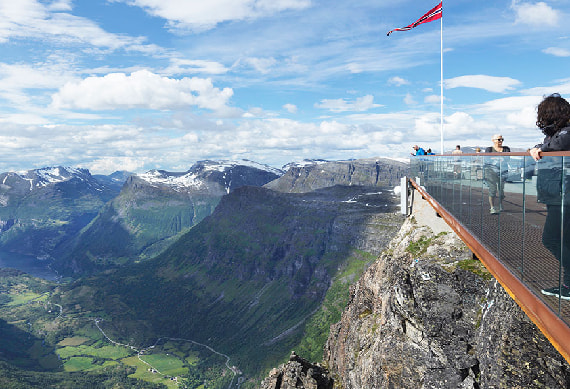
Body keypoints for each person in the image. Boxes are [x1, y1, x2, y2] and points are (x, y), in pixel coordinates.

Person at [529, 93, 570, 300]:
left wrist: (539, 149)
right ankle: (568, 285)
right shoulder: (557, 132)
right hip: (559, 192)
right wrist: (539, 146)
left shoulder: (565, 133)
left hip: (563, 194)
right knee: (564, 239)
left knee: (551, 239)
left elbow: (558, 146)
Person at [484, 134, 510, 214]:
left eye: (502, 139)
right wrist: (499, 158)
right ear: (493, 140)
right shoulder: (489, 149)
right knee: (492, 189)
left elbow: (507, 159)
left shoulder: (506, 149)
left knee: (501, 190)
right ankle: (492, 207)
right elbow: (487, 159)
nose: (501, 141)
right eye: (499, 139)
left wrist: (495, 158)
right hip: (490, 171)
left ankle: (500, 204)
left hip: (503, 171)